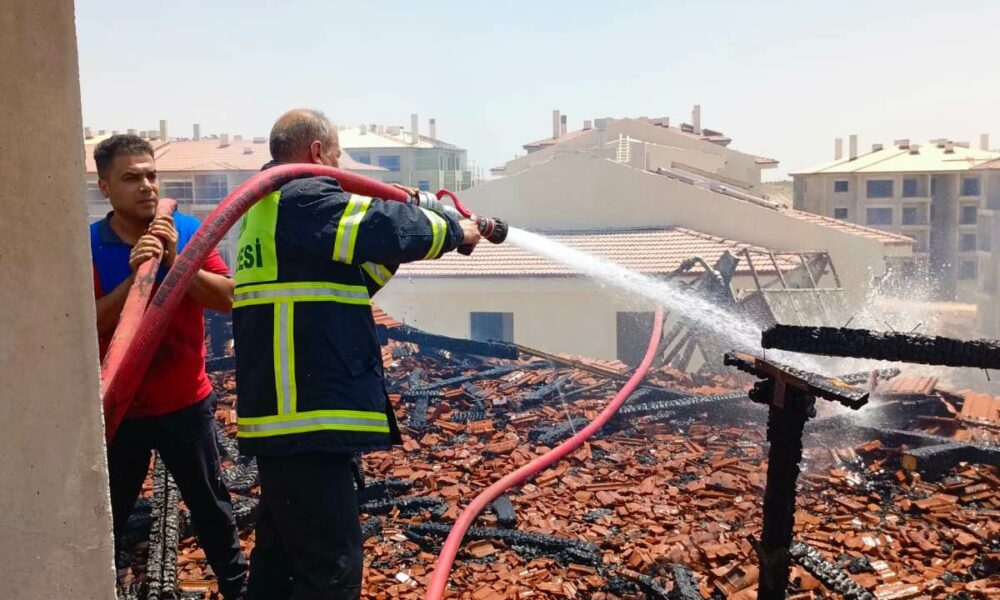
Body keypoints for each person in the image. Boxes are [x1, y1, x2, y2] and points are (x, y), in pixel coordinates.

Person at [233, 109, 480, 599]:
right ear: (317, 152)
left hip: (286, 419)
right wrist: (453, 231)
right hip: (306, 419)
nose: (341, 167)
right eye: (338, 155)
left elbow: (351, 280)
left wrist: (401, 243)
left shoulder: (267, 208)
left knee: (281, 562)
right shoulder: (302, 196)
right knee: (331, 569)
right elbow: (382, 228)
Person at [90, 134, 248, 599]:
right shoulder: (89, 246)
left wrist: (178, 261)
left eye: (151, 175)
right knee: (108, 513)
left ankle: (237, 590)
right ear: (105, 188)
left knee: (211, 507)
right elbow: (85, 323)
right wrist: (136, 276)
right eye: (131, 178)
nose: (146, 186)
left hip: (185, 403)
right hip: (120, 408)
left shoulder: (188, 230)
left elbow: (229, 297)